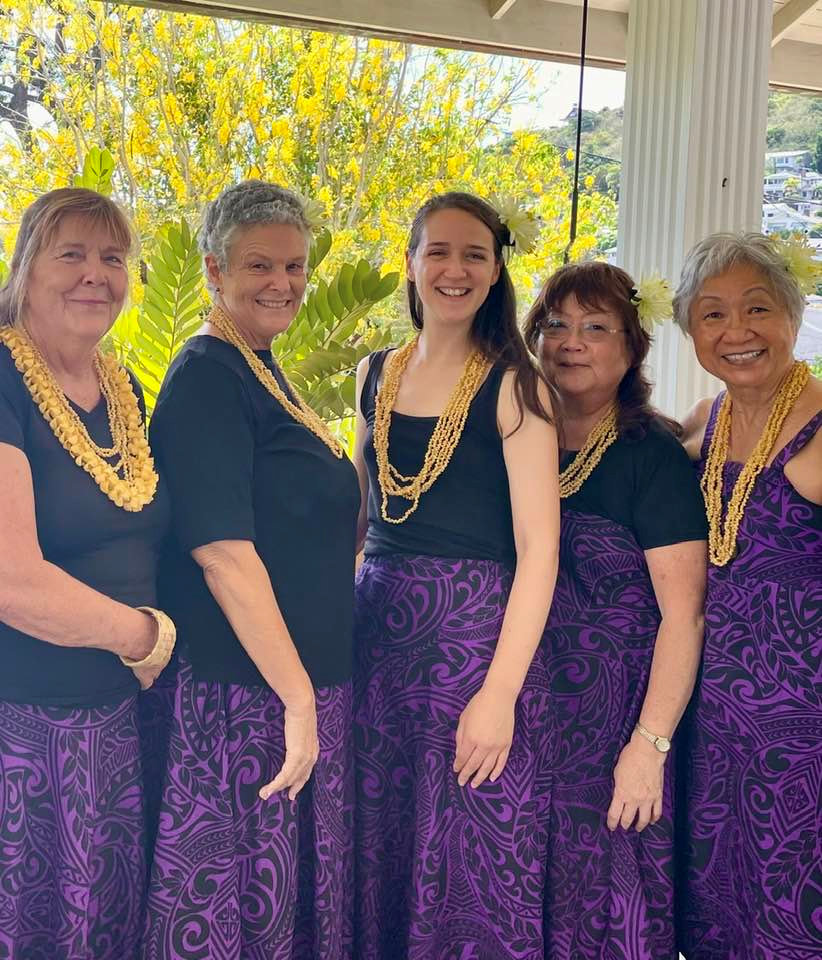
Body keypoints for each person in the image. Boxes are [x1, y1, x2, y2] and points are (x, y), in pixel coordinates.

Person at [142, 180, 360, 960]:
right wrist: (298, 699)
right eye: (260, 265)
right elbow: (222, 555)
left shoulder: (262, 366)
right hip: (245, 697)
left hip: (294, 685)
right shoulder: (208, 375)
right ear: (213, 269)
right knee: (243, 913)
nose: (283, 283)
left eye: (295, 266)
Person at [352, 191, 559, 959]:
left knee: (470, 857)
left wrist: (499, 695)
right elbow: (358, 518)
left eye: (475, 254)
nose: (455, 269)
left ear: (497, 270)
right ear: (410, 263)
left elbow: (540, 549)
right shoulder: (374, 373)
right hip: (376, 645)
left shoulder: (517, 385)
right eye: (437, 250)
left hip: (472, 650)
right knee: (381, 844)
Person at [0, 187, 174, 958]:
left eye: (112, 257)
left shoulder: (123, 388)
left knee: (101, 930)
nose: (95, 274)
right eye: (71, 254)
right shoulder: (3, 374)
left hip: (118, 722)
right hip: (24, 731)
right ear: (25, 268)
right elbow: (11, 580)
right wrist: (145, 638)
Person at [523, 261, 707, 960]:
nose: (571, 342)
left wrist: (648, 748)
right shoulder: (516, 437)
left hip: (615, 727)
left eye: (596, 327)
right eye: (556, 324)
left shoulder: (651, 454)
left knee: (605, 906)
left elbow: (684, 616)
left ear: (631, 349)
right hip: (529, 720)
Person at [674, 232, 822, 960]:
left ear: (793, 314)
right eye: (713, 314)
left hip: (803, 725)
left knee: (793, 903)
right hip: (713, 718)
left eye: (757, 307)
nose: (737, 331)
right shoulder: (704, 420)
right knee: (719, 902)